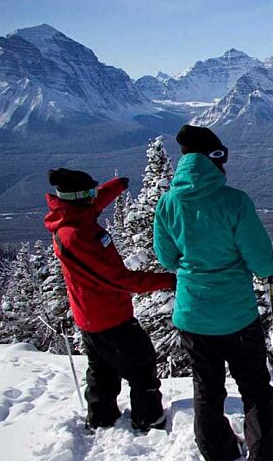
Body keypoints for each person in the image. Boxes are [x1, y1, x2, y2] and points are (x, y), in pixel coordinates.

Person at [153, 125, 273, 461]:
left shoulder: (168, 203)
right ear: (214, 160)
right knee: (255, 388)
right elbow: (260, 260)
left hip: (193, 315)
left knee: (207, 386)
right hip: (236, 315)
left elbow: (167, 257)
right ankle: (266, 459)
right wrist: (271, 266)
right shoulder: (234, 202)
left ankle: (216, 450)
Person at [44, 168, 175, 432]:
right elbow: (120, 279)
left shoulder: (70, 217)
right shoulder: (79, 236)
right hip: (111, 317)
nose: (95, 197)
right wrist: (167, 280)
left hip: (89, 316)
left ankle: (102, 417)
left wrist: (117, 186)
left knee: (101, 367)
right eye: (90, 192)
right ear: (80, 196)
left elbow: (93, 204)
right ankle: (148, 417)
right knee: (142, 363)